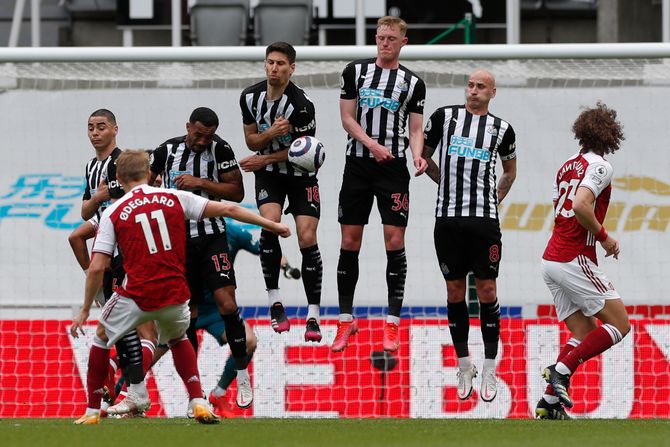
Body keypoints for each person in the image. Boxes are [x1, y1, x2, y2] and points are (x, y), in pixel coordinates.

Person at [71, 150, 290, 425]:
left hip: (137, 293)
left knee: (101, 338)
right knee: (178, 339)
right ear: (148, 174)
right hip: (176, 295)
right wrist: (272, 225)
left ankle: (93, 410)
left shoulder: (114, 212)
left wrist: (85, 309)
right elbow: (229, 209)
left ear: (117, 177)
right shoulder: (175, 198)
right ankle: (197, 400)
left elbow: (97, 266)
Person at [149, 107, 257, 409]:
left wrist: (202, 183)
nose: (202, 141)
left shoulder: (220, 148)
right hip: (178, 242)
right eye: (198, 135)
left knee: (228, 303)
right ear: (188, 127)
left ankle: (241, 372)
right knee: (188, 316)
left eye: (207, 136)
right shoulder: (166, 150)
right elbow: (145, 185)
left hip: (212, 237)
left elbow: (236, 192)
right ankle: (194, 394)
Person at [331, 16, 427, 353]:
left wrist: (418, 156)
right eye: (380, 37)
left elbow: (416, 130)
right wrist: (371, 144)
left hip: (393, 170)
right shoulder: (355, 72)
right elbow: (346, 118)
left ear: (403, 42)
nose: (384, 43)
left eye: (391, 38)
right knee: (349, 240)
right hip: (358, 165)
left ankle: (392, 323)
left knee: (394, 239)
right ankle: (345, 320)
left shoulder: (413, 83)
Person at [422, 70, 517, 403]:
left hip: (484, 222)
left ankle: (490, 366)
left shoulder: (502, 129)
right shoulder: (444, 117)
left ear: (493, 92)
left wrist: (493, 199)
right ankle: (464, 364)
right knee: (454, 291)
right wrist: (439, 178)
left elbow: (509, 172)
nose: (473, 91)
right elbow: (424, 155)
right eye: (471, 85)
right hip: (447, 220)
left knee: (487, 289)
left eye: (481, 87)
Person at [538, 102, 629, 419]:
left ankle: (549, 403)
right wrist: (606, 238)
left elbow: (564, 207)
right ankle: (561, 371)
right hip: (574, 256)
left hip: (551, 259)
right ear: (610, 135)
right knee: (620, 324)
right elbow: (580, 205)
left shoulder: (566, 166)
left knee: (584, 328)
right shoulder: (601, 166)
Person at [239, 41, 323, 342]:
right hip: (270, 176)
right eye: (270, 62)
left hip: (301, 175)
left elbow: (304, 152)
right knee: (271, 225)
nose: (274, 68)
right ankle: (275, 302)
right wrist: (269, 136)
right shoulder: (249, 97)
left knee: (307, 237)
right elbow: (251, 141)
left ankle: (313, 315)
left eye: (281, 64)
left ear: (292, 69)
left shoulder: (301, 105)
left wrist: (266, 154)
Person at [75, 110, 156, 414]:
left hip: (126, 248)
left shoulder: (121, 162)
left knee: (133, 331)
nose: (95, 133)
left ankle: (128, 391)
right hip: (114, 251)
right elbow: (86, 210)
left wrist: (100, 199)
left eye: (101, 127)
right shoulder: (91, 166)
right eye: (90, 128)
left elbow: (124, 196)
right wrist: (97, 198)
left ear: (115, 130)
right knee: (141, 332)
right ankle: (134, 394)